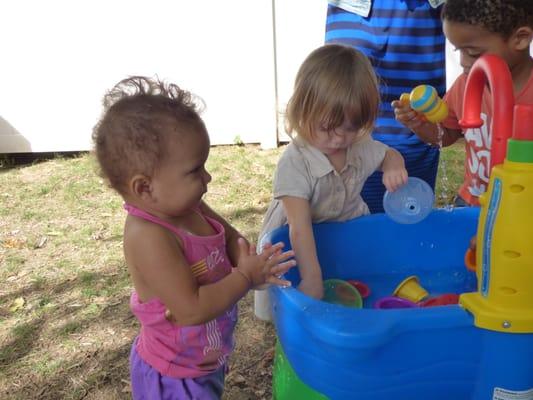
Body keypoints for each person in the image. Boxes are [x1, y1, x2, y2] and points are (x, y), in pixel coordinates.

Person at [92, 76, 296, 399]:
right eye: (195, 170)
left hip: (202, 363)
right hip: (174, 377)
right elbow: (190, 309)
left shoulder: (190, 205)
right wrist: (245, 276)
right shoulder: (148, 236)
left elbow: (229, 236)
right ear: (145, 187)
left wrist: (242, 255)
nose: (208, 177)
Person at [254, 44, 407, 319]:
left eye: (350, 128)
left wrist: (393, 166)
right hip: (299, 239)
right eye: (327, 128)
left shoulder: (358, 145)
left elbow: (387, 154)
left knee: (352, 286)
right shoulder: (296, 162)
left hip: (345, 229)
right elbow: (299, 229)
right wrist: (311, 278)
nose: (339, 139)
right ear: (303, 110)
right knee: (292, 305)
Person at [392, 0, 533, 207]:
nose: (464, 63)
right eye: (458, 51)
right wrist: (420, 124)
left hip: (522, 211)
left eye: (474, 53)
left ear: (520, 39)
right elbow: (446, 135)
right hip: (472, 202)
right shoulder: (466, 85)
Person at [325, 0, 446, 213]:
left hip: (419, 10)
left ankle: (407, 219)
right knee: (345, 102)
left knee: (415, 111)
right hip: (354, 8)